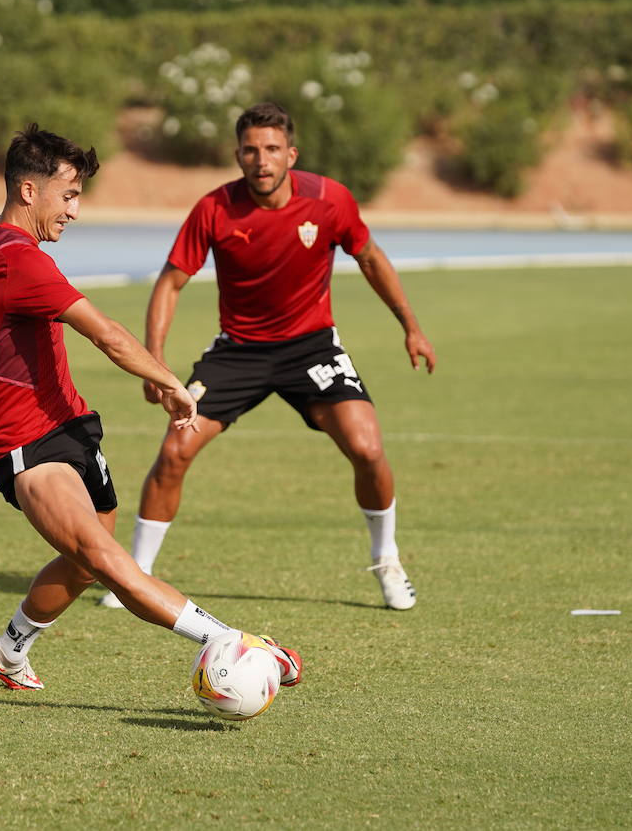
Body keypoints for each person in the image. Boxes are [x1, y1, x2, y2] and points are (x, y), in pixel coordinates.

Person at [0, 124, 300, 691]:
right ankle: (231, 641)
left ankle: (9, 650)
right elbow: (108, 335)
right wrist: (172, 384)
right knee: (108, 560)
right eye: (69, 195)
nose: (75, 211)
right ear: (29, 192)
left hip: (70, 429)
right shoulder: (19, 261)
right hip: (25, 446)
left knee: (89, 563)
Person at [99, 102, 436, 613]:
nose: (262, 160)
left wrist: (411, 326)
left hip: (312, 347)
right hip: (238, 351)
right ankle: (135, 578)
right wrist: (157, 365)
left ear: (291, 154)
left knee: (367, 447)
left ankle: (386, 559)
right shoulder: (213, 209)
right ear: (237, 155)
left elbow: (369, 257)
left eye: (272, 149)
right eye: (251, 150)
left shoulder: (329, 200)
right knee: (174, 452)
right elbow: (171, 283)